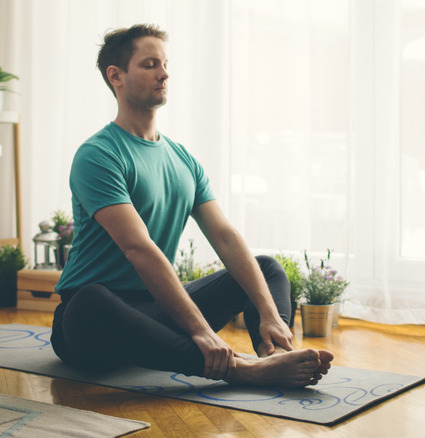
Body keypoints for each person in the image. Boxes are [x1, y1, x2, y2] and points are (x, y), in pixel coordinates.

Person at [50, 23, 333, 388]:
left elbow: (226, 238)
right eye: (150, 64)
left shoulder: (181, 158)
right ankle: (238, 370)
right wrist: (201, 331)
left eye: (165, 64)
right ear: (116, 76)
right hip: (95, 324)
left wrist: (268, 314)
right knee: (89, 301)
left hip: (159, 311)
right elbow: (138, 249)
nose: (164, 73)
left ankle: (274, 352)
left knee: (267, 269)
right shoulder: (98, 154)